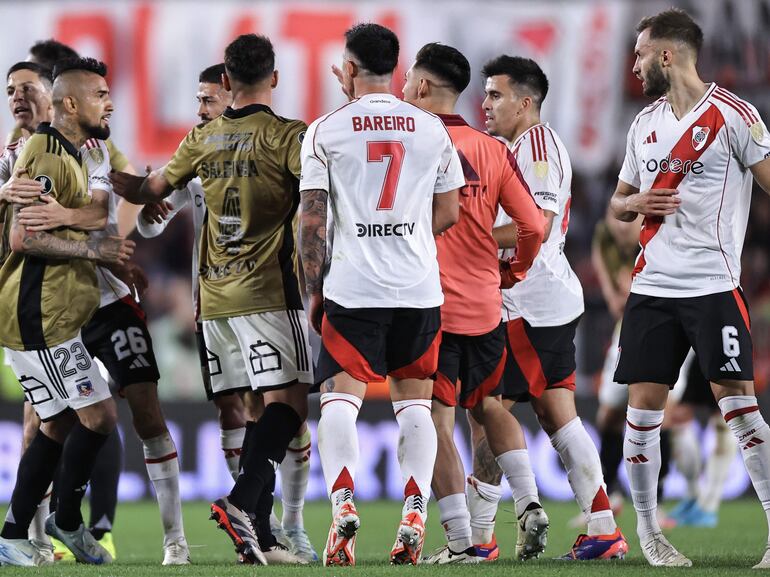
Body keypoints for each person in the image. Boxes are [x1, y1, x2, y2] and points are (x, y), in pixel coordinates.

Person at [111, 34, 312, 566]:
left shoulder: (202, 139)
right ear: (275, 78)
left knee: (250, 411)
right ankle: (244, 503)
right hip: (270, 292)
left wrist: (102, 172)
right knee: (289, 405)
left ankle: (263, 541)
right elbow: (318, 200)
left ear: (226, 82)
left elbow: (149, 189)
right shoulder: (292, 136)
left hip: (215, 303)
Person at [610, 8, 770, 568]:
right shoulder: (642, 124)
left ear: (667, 54)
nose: (634, 64)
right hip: (652, 287)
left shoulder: (734, 116)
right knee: (642, 414)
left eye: (639, 54)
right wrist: (637, 203)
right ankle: (651, 536)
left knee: (741, 410)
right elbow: (616, 204)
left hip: (713, 285)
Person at [299, 23, 464, 566]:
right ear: (396, 70)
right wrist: (406, 233)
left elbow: (313, 224)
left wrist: (312, 291)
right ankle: (415, 509)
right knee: (414, 405)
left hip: (354, 287)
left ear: (347, 69)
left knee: (338, 403)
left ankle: (344, 501)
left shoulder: (325, 130)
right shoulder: (431, 129)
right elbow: (449, 212)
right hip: (418, 287)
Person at [466, 55, 628, 561]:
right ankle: (602, 528)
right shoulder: (516, 145)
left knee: (487, 408)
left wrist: (462, 240)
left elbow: (531, 225)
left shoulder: (535, 148)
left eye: (495, 94)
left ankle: (484, 535)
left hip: (525, 300)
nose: (485, 103)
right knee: (558, 414)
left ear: (526, 101)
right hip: (544, 299)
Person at [397, 43, 544, 564]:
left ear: (421, 86)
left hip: (429, 306)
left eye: (408, 77)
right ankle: (528, 502)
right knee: (487, 405)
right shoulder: (493, 149)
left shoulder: (409, 142)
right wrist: (515, 269)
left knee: (434, 418)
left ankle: (463, 540)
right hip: (485, 304)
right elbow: (535, 225)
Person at [0, 57, 134, 566]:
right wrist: (90, 251)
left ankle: (15, 533)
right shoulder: (44, 150)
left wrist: (81, 224)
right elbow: (24, 235)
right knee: (98, 416)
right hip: (39, 315)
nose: (111, 102)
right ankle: (68, 520)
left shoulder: (79, 154)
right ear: (72, 104)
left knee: (56, 425)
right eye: (102, 93)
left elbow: (100, 211)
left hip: (52, 315)